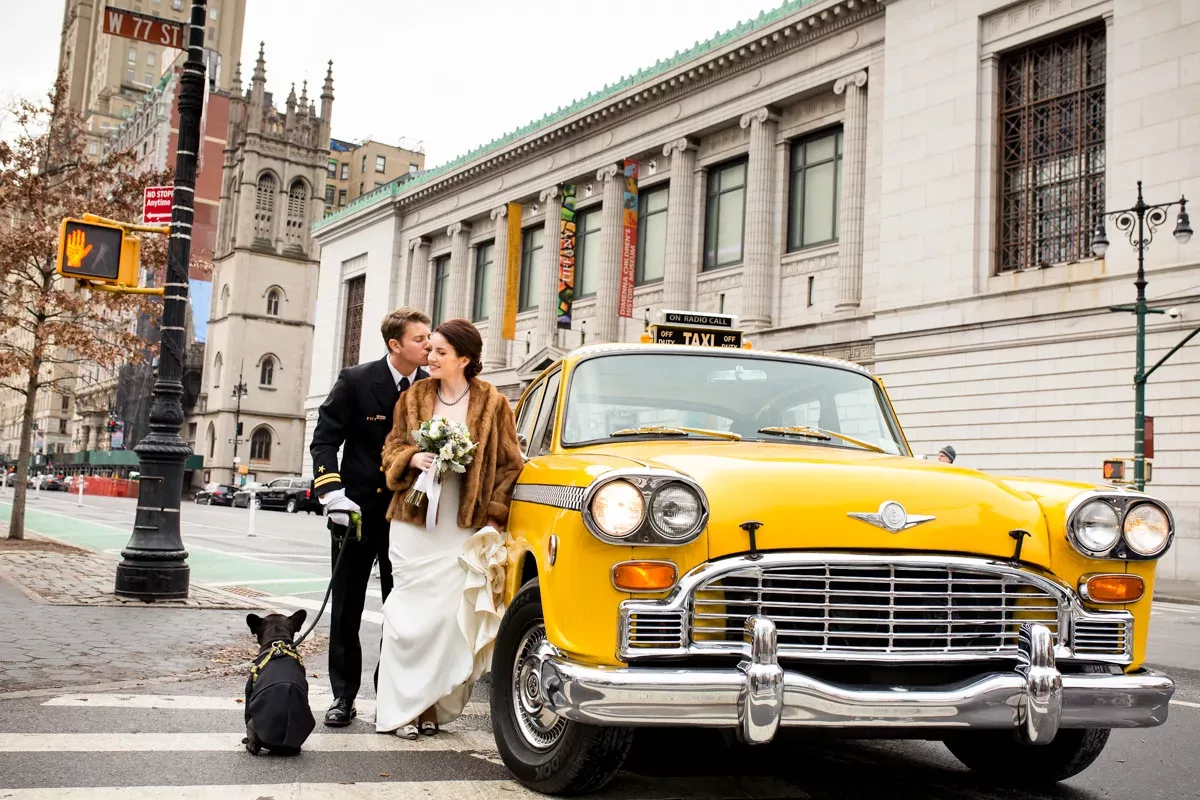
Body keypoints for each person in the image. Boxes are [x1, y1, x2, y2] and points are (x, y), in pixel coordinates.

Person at [375, 319, 523, 739]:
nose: (431, 357)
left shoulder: (494, 402)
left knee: (447, 619)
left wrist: (494, 519)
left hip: (462, 526)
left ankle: (429, 708)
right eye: (430, 350)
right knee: (407, 619)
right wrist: (411, 459)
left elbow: (511, 466)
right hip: (413, 520)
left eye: (440, 351)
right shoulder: (412, 397)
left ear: (465, 358)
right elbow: (390, 449)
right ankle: (401, 710)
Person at [308, 307, 431, 727]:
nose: (427, 344)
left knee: (402, 609)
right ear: (395, 344)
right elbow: (324, 440)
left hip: (407, 516)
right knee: (347, 608)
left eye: (429, 337)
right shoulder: (357, 381)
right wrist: (331, 493)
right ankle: (343, 697)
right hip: (355, 513)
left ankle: (390, 695)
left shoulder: (431, 390)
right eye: (419, 338)